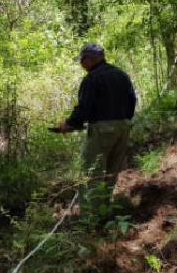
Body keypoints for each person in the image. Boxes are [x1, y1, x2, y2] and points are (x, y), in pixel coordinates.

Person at [55, 42, 137, 193]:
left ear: (89, 59)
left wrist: (69, 123)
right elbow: (132, 100)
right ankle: (105, 210)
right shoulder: (122, 74)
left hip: (102, 130)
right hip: (124, 127)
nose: (81, 64)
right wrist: (124, 121)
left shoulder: (92, 78)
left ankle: (90, 215)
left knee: (91, 175)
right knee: (112, 173)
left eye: (82, 60)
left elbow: (84, 107)